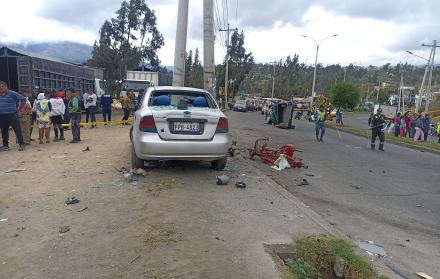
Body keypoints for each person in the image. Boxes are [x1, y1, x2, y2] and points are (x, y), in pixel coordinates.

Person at [0, 81, 26, 151]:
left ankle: (22, 144)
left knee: (17, 130)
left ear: (6, 87)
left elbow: (23, 99)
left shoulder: (12, 93)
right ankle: (5, 146)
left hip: (12, 115)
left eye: (2, 86)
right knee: (4, 131)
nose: (1, 88)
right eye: (0, 87)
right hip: (2, 116)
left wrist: (20, 109)